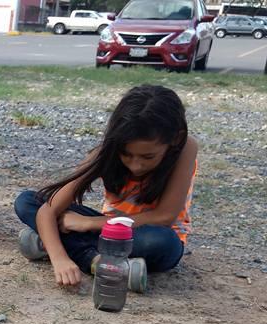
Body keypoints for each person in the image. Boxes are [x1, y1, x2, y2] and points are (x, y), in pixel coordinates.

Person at [14, 85, 198, 289]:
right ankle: (94, 260)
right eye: (126, 154)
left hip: (144, 235)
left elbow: (164, 217)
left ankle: (49, 242)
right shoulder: (107, 151)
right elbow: (48, 210)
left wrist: (87, 223)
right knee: (27, 201)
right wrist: (59, 259)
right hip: (105, 233)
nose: (136, 165)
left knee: (161, 242)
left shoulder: (185, 148)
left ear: (176, 138)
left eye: (148, 157)